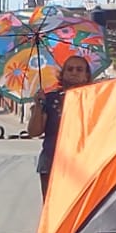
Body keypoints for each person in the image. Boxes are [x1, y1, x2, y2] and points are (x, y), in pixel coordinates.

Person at [28, 54, 93, 199]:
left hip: (84, 165)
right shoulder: (50, 99)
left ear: (86, 75)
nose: (74, 72)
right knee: (53, 212)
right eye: (70, 69)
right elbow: (34, 132)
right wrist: (38, 105)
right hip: (51, 163)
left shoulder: (94, 99)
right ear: (62, 74)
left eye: (79, 69)